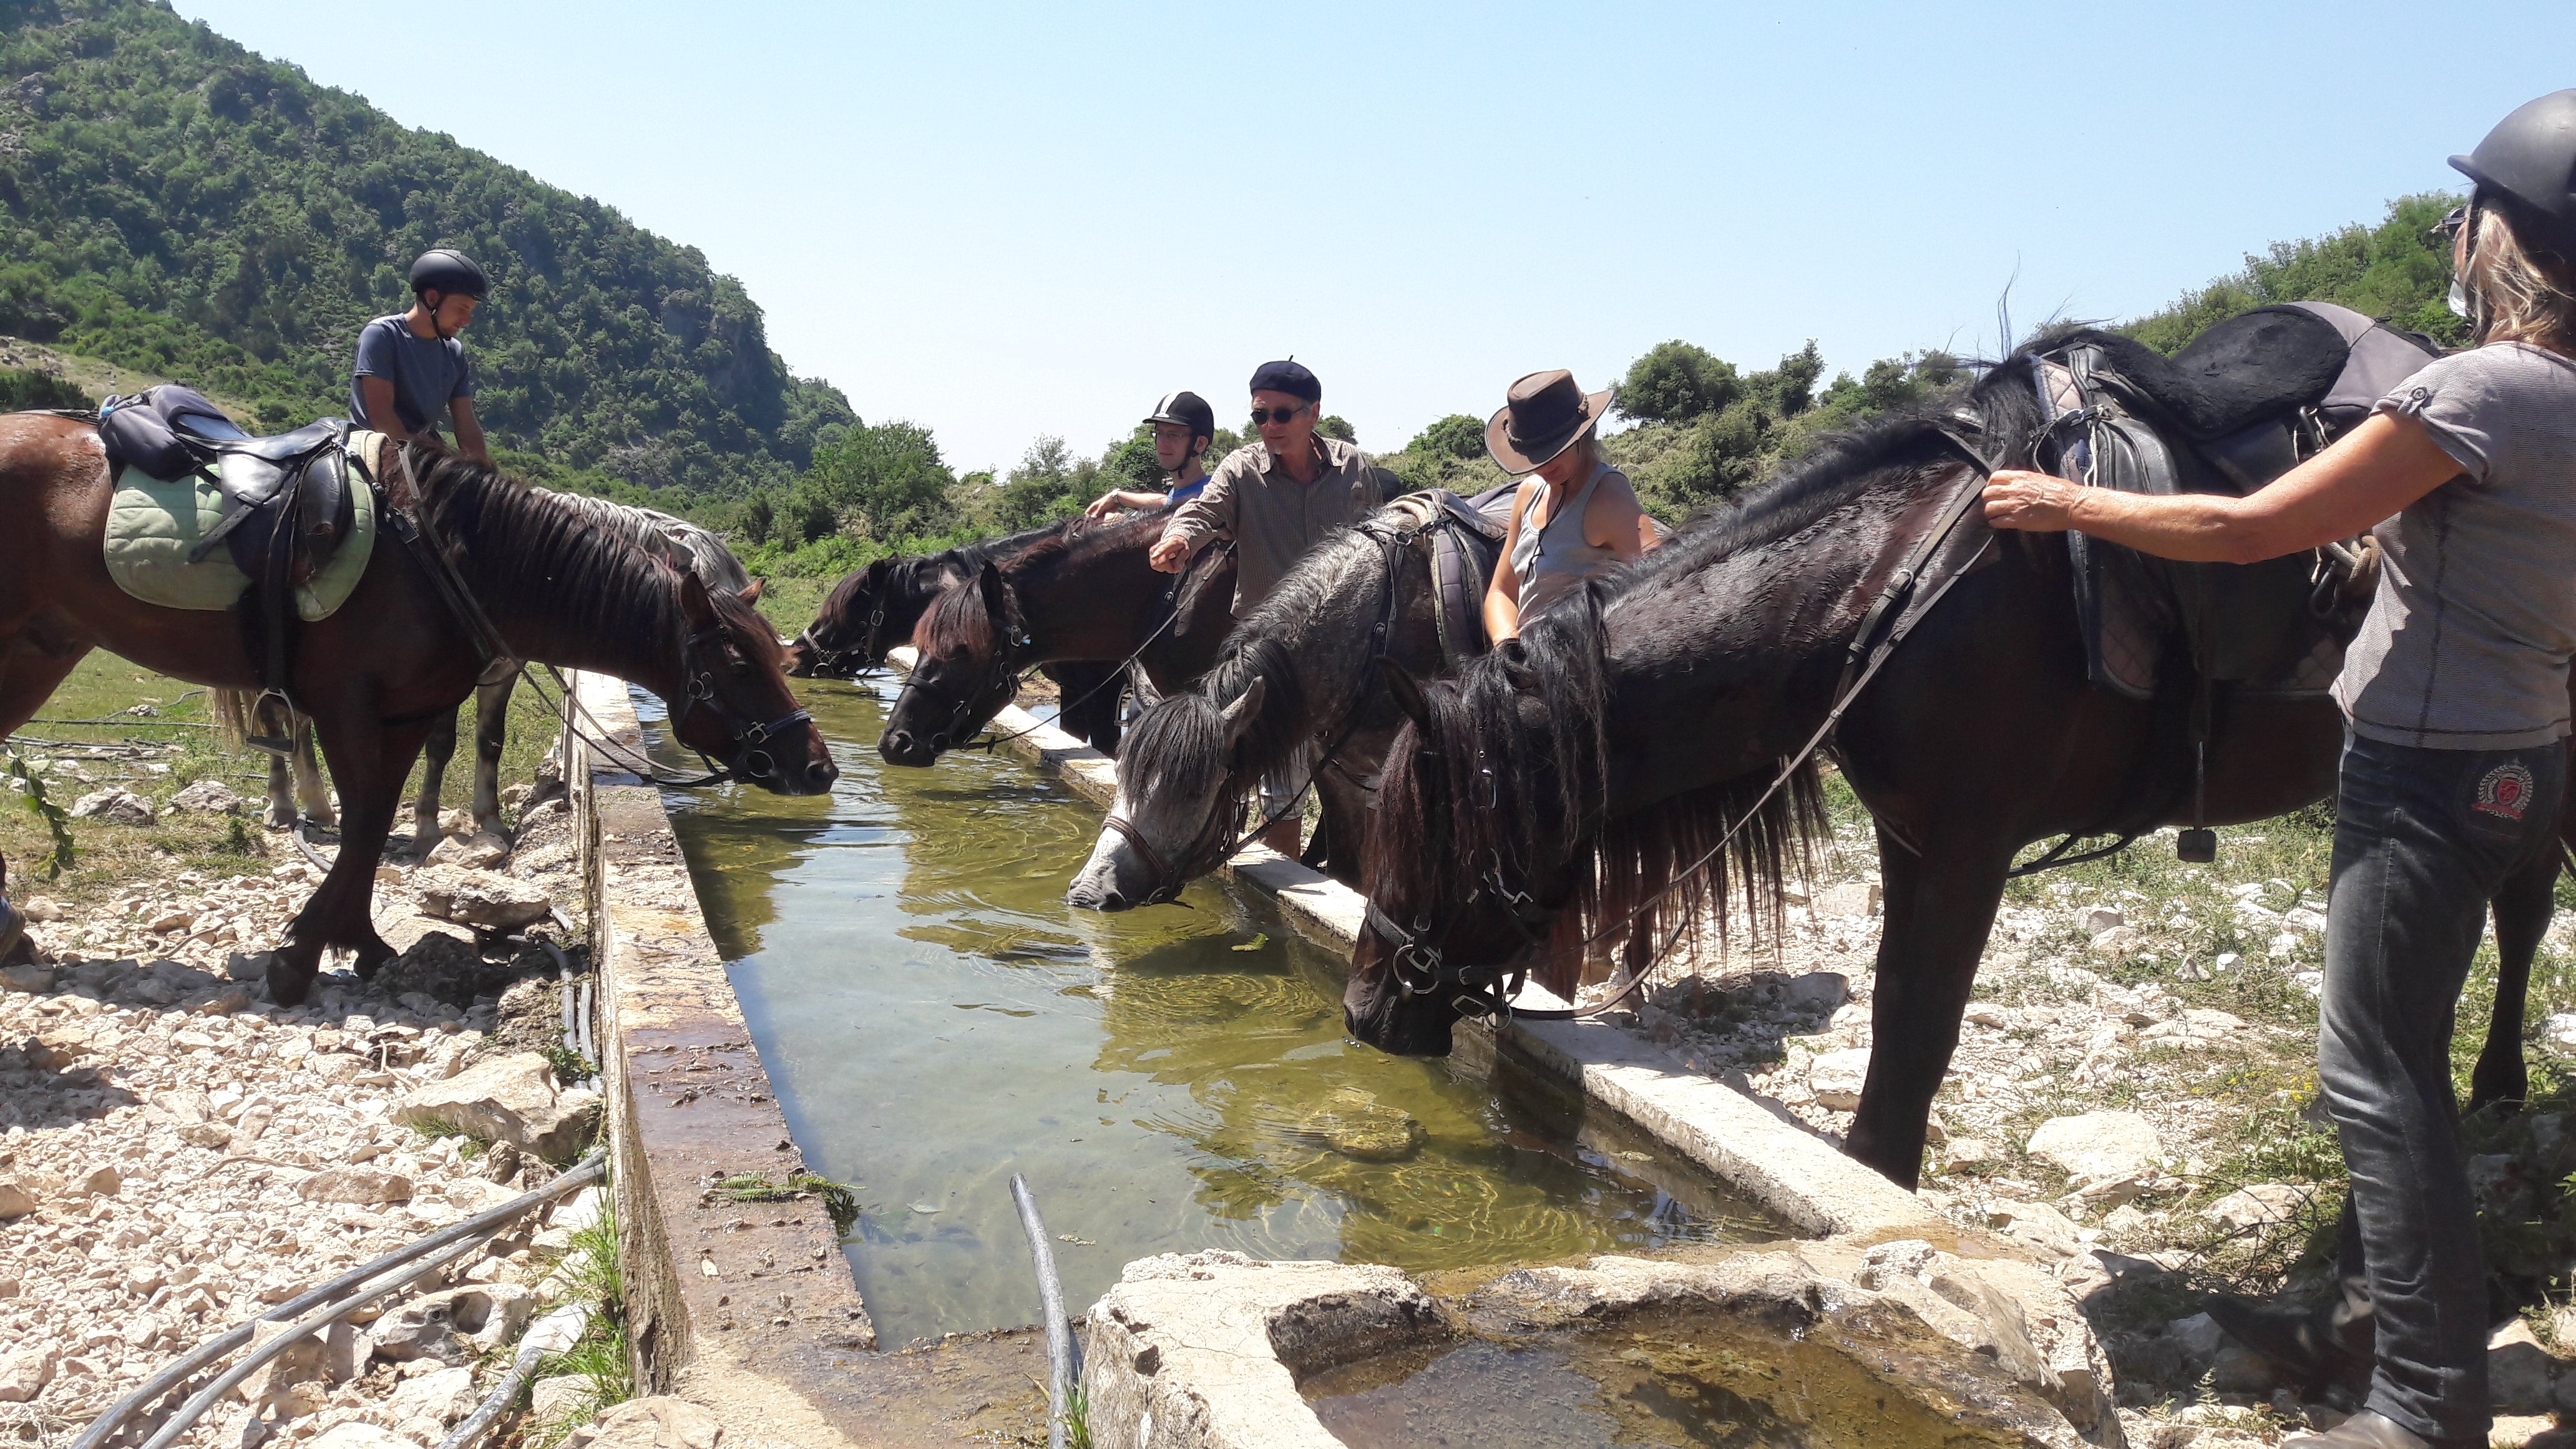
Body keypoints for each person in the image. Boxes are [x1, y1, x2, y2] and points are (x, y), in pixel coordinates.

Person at [1981, 91, 2576, 1449]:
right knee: (2404, 1054)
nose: (2458, 232)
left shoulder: (2477, 390)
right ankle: (2358, 1331)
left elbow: (2248, 530)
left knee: (2378, 1071)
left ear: (2514, 241)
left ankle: (2425, 1404)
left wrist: (2061, 499)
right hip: (2522, 756)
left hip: (2425, 771)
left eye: (2471, 213)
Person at [1149, 359, 1397, 853]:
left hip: (1347, 653)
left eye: (1282, 415)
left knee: (1362, 781)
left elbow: (1379, 538)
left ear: (1314, 413)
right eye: (1260, 417)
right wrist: (1180, 537)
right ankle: (1278, 911)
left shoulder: (1354, 468)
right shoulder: (1241, 470)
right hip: (1271, 657)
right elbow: (1203, 509)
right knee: (1278, 791)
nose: (1270, 428)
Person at [1480, 369, 1659, 642]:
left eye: (1555, 450)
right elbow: (1501, 592)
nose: (1544, 465)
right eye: (1536, 455)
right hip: (1532, 666)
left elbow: (1662, 579)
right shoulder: (1529, 493)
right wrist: (1508, 645)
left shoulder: (1608, 496)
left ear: (1581, 436)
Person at [350, 248, 492, 494]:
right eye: (462, 308)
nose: (467, 320)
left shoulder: (454, 353)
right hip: (370, 456)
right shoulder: (382, 336)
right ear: (433, 298)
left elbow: (466, 425)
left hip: (420, 461)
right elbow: (382, 418)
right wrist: (421, 470)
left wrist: (488, 481)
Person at [1086, 391, 1217, 518]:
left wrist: (1119, 521)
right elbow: (1164, 502)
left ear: (1200, 444)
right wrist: (1117, 496)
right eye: (1159, 433)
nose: (1162, 443)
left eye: (1173, 435)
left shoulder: (1212, 498)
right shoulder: (1184, 491)